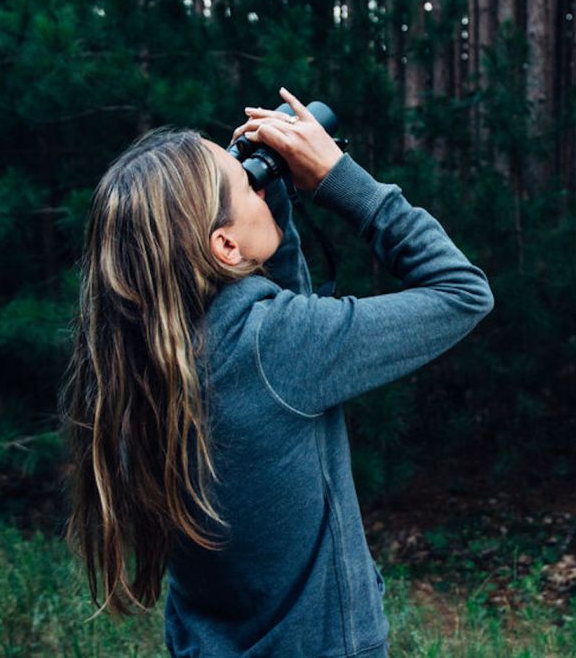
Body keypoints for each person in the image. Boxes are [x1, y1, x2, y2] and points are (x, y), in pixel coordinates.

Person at [60, 88, 495, 657]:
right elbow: (463, 293)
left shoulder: (133, 362)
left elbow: (267, 310)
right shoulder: (277, 347)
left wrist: (272, 201)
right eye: (247, 185)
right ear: (223, 244)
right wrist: (342, 179)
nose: (257, 186)